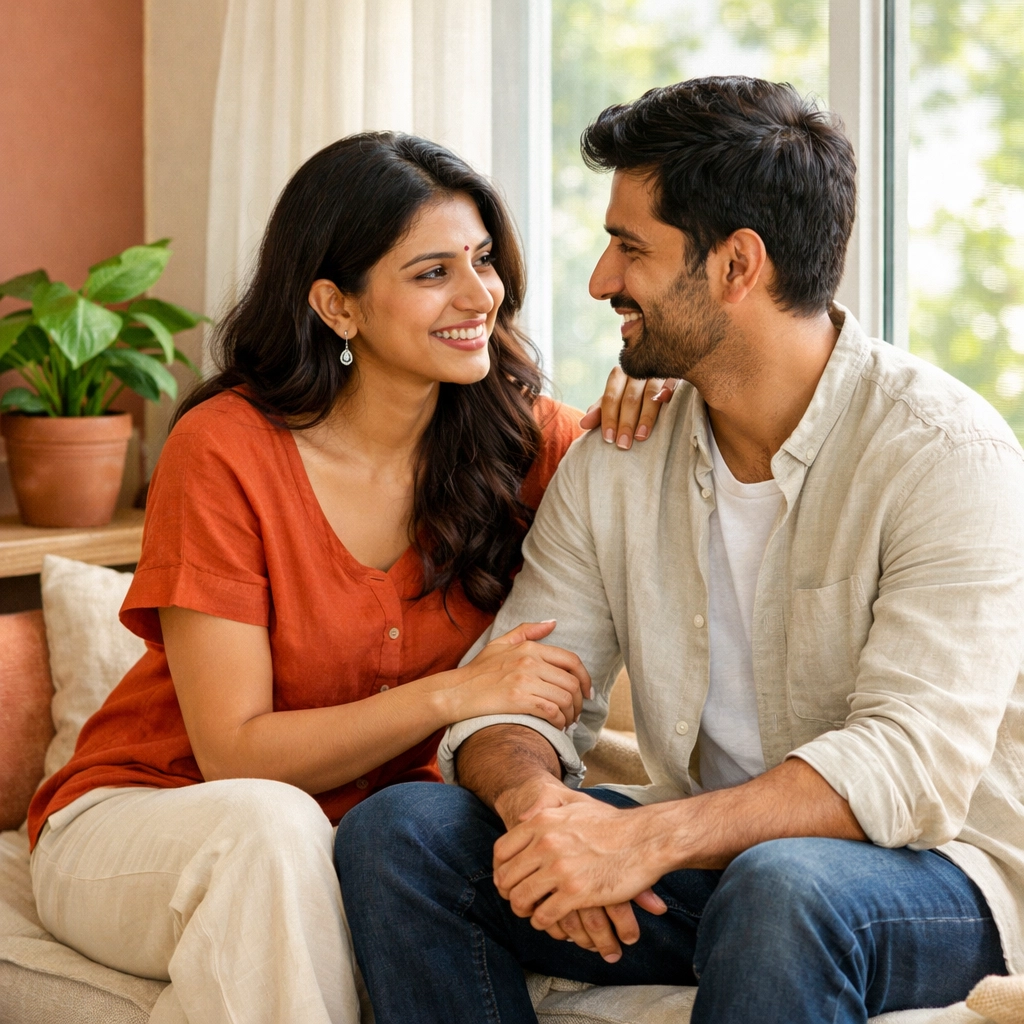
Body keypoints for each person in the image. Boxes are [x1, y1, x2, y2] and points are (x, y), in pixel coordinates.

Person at [335, 78, 1024, 1024]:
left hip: (930, 877)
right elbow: (519, 689)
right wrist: (547, 818)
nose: (599, 280)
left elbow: (908, 763)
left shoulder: (946, 454)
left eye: (631, 248)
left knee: (781, 888)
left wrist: (649, 839)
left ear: (738, 265)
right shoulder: (620, 458)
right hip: (713, 866)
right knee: (400, 832)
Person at [25, 133, 670, 1024]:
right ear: (337, 305)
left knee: (346, 854)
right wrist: (456, 693)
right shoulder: (226, 449)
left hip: (355, 846)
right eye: (431, 272)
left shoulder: (523, 441)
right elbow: (236, 754)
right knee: (273, 828)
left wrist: (662, 393)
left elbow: (655, 463)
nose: (479, 294)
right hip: (150, 817)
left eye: (483, 261)